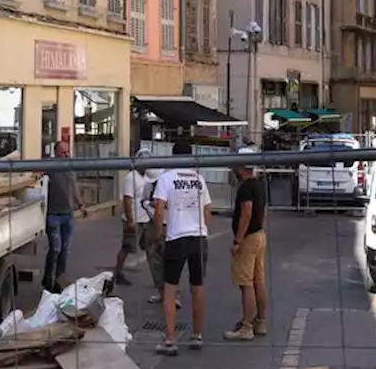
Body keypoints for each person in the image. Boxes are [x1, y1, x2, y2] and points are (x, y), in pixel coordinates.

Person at [151, 140, 211, 355]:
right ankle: (197, 335)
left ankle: (170, 339)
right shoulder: (199, 179)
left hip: (176, 237)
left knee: (170, 288)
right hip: (199, 237)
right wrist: (202, 229)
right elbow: (208, 210)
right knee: (198, 287)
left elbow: (159, 211)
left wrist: (158, 236)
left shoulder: (166, 179)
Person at [224, 147, 270, 341]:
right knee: (259, 281)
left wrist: (237, 240)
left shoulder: (245, 187)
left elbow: (246, 213)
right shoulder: (259, 184)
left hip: (248, 238)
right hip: (259, 235)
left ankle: (246, 326)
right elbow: (262, 211)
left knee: (246, 284)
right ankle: (260, 321)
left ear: (241, 166)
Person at [114, 149, 166, 295]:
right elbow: (127, 199)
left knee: (151, 249)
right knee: (127, 247)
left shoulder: (147, 177)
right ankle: (117, 272)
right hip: (135, 219)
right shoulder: (131, 178)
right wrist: (130, 220)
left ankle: (158, 282)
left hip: (146, 219)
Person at [42, 141, 87, 292]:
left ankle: (59, 280)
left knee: (65, 249)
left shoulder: (70, 167)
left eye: (68, 152)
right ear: (56, 153)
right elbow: (35, 174)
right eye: (63, 152)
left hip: (67, 214)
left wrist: (80, 205)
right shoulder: (50, 166)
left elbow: (74, 187)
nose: (66, 155)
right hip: (53, 214)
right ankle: (48, 279)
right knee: (55, 248)